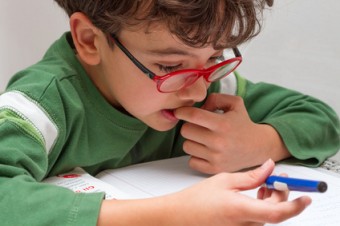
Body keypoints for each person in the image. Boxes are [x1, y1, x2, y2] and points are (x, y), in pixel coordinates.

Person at [0, 0, 339, 225]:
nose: (198, 90)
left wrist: (261, 142)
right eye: (170, 66)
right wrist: (171, 215)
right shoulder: (40, 105)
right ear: (89, 40)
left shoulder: (209, 90)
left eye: (214, 59)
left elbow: (320, 119)